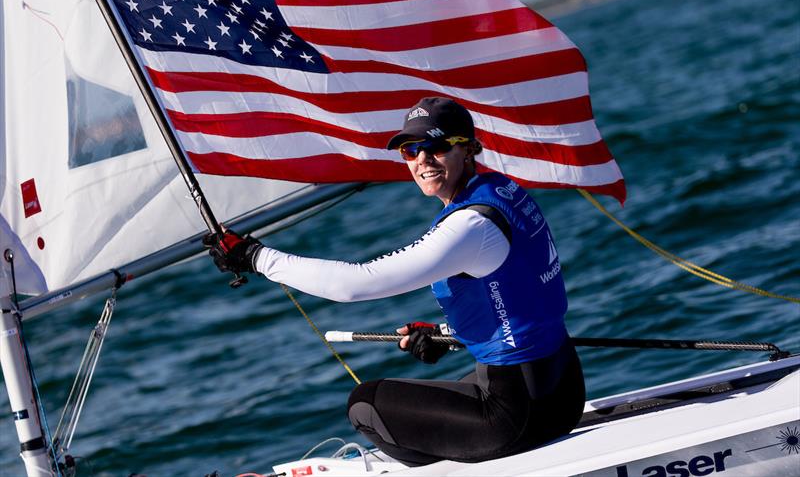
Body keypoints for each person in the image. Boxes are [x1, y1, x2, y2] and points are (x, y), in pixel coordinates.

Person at [205, 97, 585, 466]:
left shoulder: (470, 227)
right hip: (565, 391)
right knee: (456, 387)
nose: (422, 160)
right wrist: (450, 333)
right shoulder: (505, 192)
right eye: (410, 150)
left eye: (435, 147)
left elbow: (355, 284)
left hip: (517, 417)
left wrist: (255, 257)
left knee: (365, 403)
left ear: (468, 149)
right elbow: (519, 294)